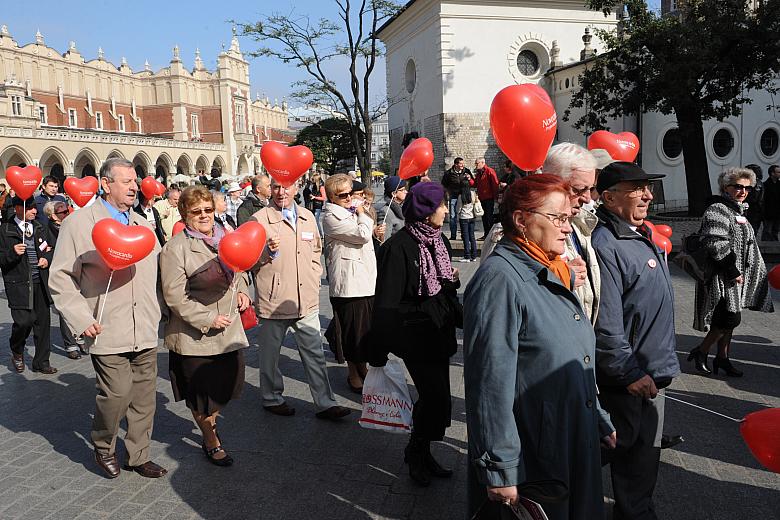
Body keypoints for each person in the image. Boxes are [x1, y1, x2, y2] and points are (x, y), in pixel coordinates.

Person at [463, 175, 615, 519]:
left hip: (570, 433)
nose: (567, 228)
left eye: (568, 218)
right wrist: (500, 468)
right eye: (558, 219)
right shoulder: (500, 280)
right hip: (537, 451)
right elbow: (489, 384)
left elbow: (575, 354)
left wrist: (598, 418)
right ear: (521, 220)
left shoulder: (551, 267)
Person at [49, 158, 167, 480]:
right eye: (126, 181)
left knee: (144, 398)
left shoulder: (143, 224)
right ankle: (103, 445)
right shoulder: (79, 224)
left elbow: (161, 272)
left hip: (143, 326)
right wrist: (80, 318)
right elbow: (60, 278)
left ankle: (139, 455)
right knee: (116, 394)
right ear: (105, 184)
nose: (134, 187)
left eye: (135, 181)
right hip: (105, 328)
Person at [592, 161, 680, 520]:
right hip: (631, 380)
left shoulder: (637, 232)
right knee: (629, 465)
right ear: (610, 197)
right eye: (637, 187)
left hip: (650, 373)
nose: (648, 194)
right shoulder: (607, 243)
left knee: (641, 470)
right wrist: (628, 373)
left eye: (648, 187)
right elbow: (608, 324)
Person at [370, 182, 462, 487]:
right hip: (415, 337)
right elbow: (386, 303)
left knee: (437, 400)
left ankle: (422, 451)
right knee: (434, 397)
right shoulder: (397, 248)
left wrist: (454, 290)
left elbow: (445, 288)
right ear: (425, 211)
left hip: (440, 332)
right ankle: (415, 453)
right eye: (441, 206)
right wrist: (378, 348)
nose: (446, 210)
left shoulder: (439, 241)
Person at [160, 185, 251, 467]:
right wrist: (207, 319)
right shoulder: (175, 249)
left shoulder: (227, 237)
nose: (203, 215)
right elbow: (174, 296)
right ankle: (211, 440)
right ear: (184, 213)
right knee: (202, 397)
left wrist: (244, 291)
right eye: (196, 211)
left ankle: (210, 427)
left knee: (224, 389)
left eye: (208, 210)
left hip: (229, 332)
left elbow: (240, 271)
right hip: (193, 336)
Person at [250, 178, 350, 420]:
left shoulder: (306, 215)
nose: (281, 191)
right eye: (275, 187)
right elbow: (249, 261)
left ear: (296, 188)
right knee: (270, 356)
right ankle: (272, 398)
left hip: (305, 298)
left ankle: (325, 403)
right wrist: (266, 252)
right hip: (274, 299)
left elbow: (316, 250)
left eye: (286, 186)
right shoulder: (259, 219)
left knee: (314, 353)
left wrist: (314, 277)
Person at [689, 167, 774, 377]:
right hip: (722, 274)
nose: (743, 191)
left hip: (736, 276)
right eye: (737, 186)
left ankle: (723, 358)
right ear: (726, 187)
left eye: (747, 187)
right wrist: (733, 270)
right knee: (728, 318)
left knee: (729, 319)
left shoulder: (738, 210)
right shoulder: (718, 208)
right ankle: (701, 351)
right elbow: (715, 242)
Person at [321, 174, 377, 393]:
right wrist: (362, 213)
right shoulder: (331, 216)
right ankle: (353, 372)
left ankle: (362, 368)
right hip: (349, 284)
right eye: (342, 195)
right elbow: (362, 234)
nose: (347, 198)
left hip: (364, 280)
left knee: (363, 331)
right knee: (352, 331)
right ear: (332, 197)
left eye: (349, 193)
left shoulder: (349, 211)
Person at [543, 143, 601, 323]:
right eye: (578, 189)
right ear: (552, 181)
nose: (587, 198)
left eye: (590, 189)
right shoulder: (512, 233)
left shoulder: (579, 225)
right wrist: (561, 276)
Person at [0, 196, 56, 374]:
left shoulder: (40, 226)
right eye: (30, 208)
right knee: (24, 322)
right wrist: (12, 252)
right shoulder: (6, 229)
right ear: (18, 208)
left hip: (40, 281)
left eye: (34, 208)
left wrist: (46, 259)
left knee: (42, 323)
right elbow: (1, 258)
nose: (34, 211)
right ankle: (17, 350)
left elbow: (52, 249)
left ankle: (41, 362)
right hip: (19, 283)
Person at [43, 200, 85, 360]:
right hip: (61, 272)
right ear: (53, 216)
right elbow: (46, 251)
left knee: (81, 304)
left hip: (78, 268)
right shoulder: (46, 230)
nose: (67, 213)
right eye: (63, 212)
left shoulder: (73, 226)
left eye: (67, 210)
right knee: (66, 308)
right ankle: (70, 345)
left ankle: (80, 337)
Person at [441, 157, 471, 240]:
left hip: (464, 196)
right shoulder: (448, 173)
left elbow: (472, 182)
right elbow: (443, 185)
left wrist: (469, 179)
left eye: (463, 163)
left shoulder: (466, 171)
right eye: (461, 164)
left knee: (463, 216)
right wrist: (446, 194)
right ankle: (453, 235)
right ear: (456, 164)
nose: (462, 165)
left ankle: (464, 235)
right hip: (453, 196)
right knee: (453, 216)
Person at [474, 158, 499, 240]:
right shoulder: (479, 173)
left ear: (482, 163)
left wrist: (495, 197)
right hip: (482, 198)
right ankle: (486, 234)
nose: (476, 165)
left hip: (489, 197)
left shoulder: (489, 171)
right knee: (484, 217)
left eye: (477, 163)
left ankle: (490, 235)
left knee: (489, 217)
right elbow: (475, 184)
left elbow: (495, 184)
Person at [456, 181, 478, 262]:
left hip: (464, 217)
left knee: (465, 237)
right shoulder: (473, 193)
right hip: (472, 217)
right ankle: (474, 256)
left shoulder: (461, 196)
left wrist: (457, 212)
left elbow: (458, 209)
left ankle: (467, 256)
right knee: (472, 236)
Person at [382, 176, 407, 241]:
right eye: (402, 190)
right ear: (394, 194)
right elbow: (385, 240)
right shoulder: (386, 212)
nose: (406, 192)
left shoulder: (404, 207)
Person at [743, 164, 764, 236]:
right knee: (753, 228)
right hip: (756, 209)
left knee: (751, 228)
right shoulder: (760, 182)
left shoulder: (754, 183)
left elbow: (754, 198)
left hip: (752, 209)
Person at [761, 164, 780, 241]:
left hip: (778, 213)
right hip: (768, 213)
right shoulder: (765, 185)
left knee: (775, 231)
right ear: (772, 173)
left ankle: (775, 249)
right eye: (778, 172)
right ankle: (765, 249)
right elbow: (763, 200)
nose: (779, 174)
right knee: (767, 231)